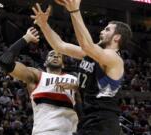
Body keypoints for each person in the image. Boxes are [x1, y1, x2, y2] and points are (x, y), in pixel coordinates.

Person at [31, 1, 132, 135]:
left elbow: (87, 45)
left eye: (107, 29)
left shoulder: (114, 58)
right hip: (88, 119)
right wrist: (44, 25)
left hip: (103, 122)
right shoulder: (93, 54)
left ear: (117, 38)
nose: (102, 31)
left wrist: (74, 11)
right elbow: (60, 46)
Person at [0, 27, 78, 135]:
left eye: (59, 55)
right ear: (45, 62)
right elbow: (5, 62)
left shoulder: (74, 80)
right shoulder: (36, 75)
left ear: (63, 64)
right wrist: (25, 38)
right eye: (51, 54)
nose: (55, 55)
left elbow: (84, 107)